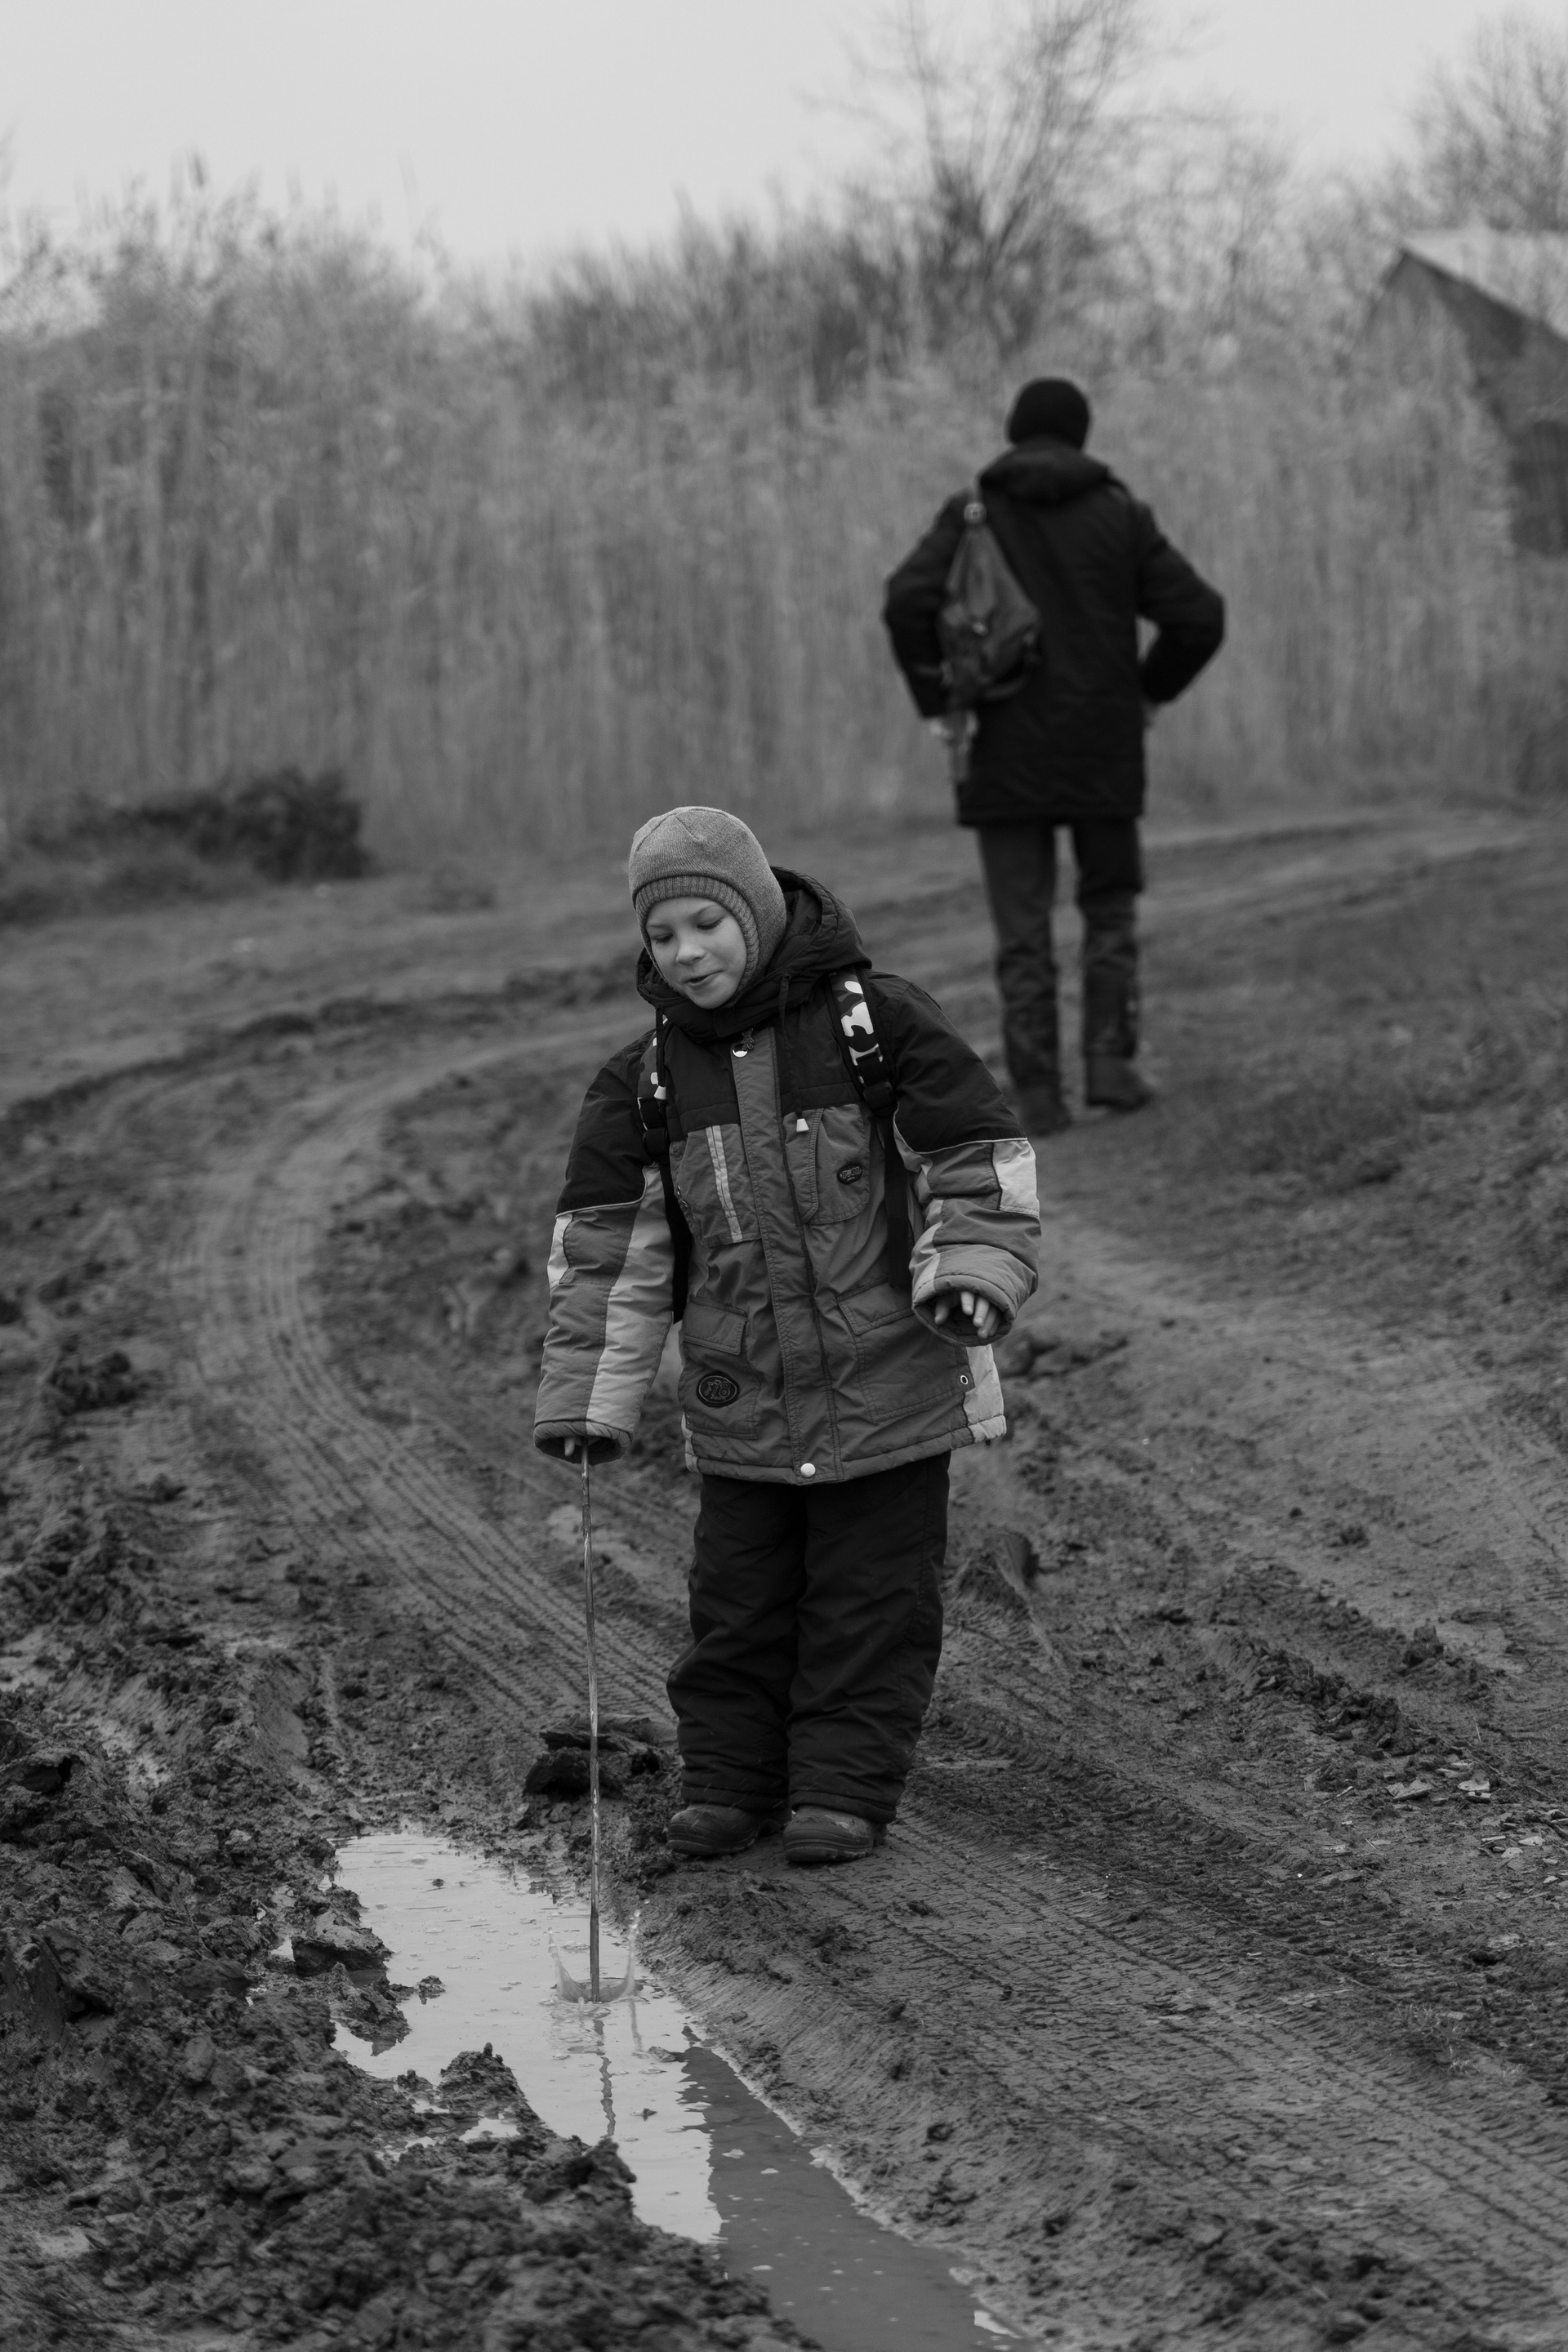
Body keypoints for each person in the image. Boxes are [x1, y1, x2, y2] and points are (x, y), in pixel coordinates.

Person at [533, 806, 1040, 1867]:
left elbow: (977, 1164)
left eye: (705, 924)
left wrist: (972, 1273)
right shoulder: (645, 1081)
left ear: (756, 913)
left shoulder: (879, 1025)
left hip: (890, 1385)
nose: (685, 953)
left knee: (870, 1606)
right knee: (737, 1609)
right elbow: (611, 1256)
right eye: (662, 934)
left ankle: (841, 1792)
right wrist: (587, 1398)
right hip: (742, 1402)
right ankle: (730, 1784)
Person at [883, 376, 1226, 1135]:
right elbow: (1200, 617)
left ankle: (1037, 1093)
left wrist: (940, 702)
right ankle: (1111, 1067)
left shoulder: (973, 511)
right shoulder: (1121, 515)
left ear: (1013, 431)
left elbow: (905, 600)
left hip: (1003, 750)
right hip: (1104, 748)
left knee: (1022, 929)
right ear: (1082, 434)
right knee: (1109, 909)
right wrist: (1148, 691)